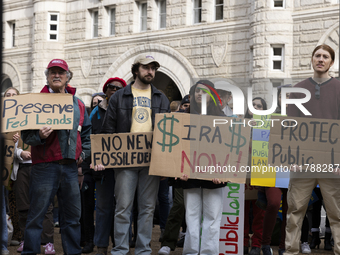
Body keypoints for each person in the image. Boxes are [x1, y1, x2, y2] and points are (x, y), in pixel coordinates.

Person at [97, 54, 170, 254]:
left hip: (151, 161)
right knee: (123, 207)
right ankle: (120, 249)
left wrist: (165, 164)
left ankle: (143, 250)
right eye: (146, 67)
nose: (150, 72)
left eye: (153, 68)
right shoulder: (120, 96)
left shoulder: (161, 97)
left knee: (147, 209)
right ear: (136, 70)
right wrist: (104, 157)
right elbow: (108, 130)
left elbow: (168, 134)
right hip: (125, 160)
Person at [21, 59, 91, 255]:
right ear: (47, 76)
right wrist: (39, 136)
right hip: (44, 167)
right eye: (53, 72)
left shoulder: (78, 104)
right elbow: (27, 136)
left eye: (61, 72)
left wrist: (83, 154)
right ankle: (30, 252)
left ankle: (73, 252)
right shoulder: (36, 102)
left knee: (72, 217)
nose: (57, 75)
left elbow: (86, 133)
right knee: (37, 216)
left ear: (68, 77)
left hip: (70, 168)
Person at [284, 44, 340, 255]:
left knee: (336, 213)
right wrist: (292, 156)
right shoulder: (297, 90)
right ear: (312, 59)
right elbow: (290, 127)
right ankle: (291, 251)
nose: (321, 59)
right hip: (302, 161)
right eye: (317, 55)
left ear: (331, 62)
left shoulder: (338, 89)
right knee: (295, 211)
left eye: (325, 56)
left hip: (331, 161)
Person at [178, 80, 225, 255]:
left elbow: (227, 148)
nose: (200, 94)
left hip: (215, 176)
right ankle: (190, 252)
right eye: (197, 91)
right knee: (191, 217)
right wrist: (177, 169)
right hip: (189, 175)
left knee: (212, 218)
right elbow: (176, 148)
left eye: (205, 91)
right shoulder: (182, 118)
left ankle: (208, 252)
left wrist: (222, 172)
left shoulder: (222, 119)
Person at [90, 77, 127, 255]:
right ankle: (101, 247)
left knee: (124, 207)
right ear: (105, 90)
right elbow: (90, 137)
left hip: (125, 167)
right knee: (103, 208)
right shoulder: (95, 112)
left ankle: (122, 246)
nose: (114, 90)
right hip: (102, 169)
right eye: (111, 87)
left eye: (118, 88)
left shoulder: (129, 109)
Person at [243, 97, 266, 255]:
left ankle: (256, 244)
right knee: (242, 211)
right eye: (253, 106)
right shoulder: (239, 126)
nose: (256, 108)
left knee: (260, 211)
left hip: (261, 174)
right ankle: (243, 242)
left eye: (259, 106)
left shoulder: (268, 127)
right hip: (243, 174)